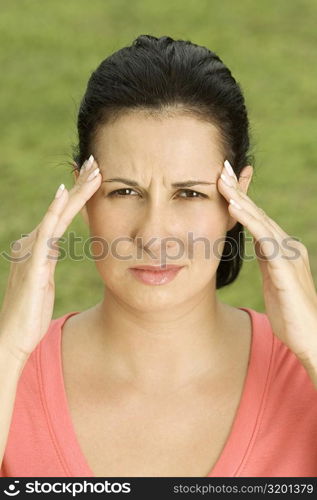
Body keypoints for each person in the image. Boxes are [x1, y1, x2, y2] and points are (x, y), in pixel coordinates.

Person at [1, 34, 317, 478]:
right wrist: (9, 349)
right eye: (125, 191)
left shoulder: (306, 369)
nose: (153, 235)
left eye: (189, 193)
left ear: (236, 199)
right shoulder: (10, 375)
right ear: (82, 195)